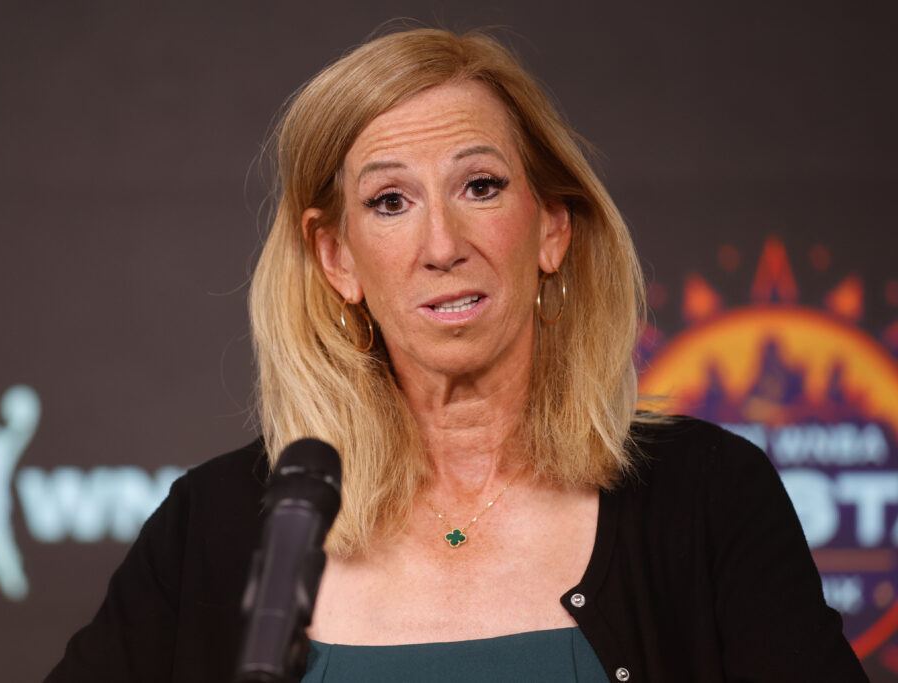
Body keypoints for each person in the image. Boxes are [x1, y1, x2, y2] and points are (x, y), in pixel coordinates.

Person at [45, 27, 868, 682]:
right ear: (337, 259)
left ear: (551, 226)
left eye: (480, 186)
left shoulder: (707, 499)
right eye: (390, 201)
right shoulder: (220, 525)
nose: (443, 243)